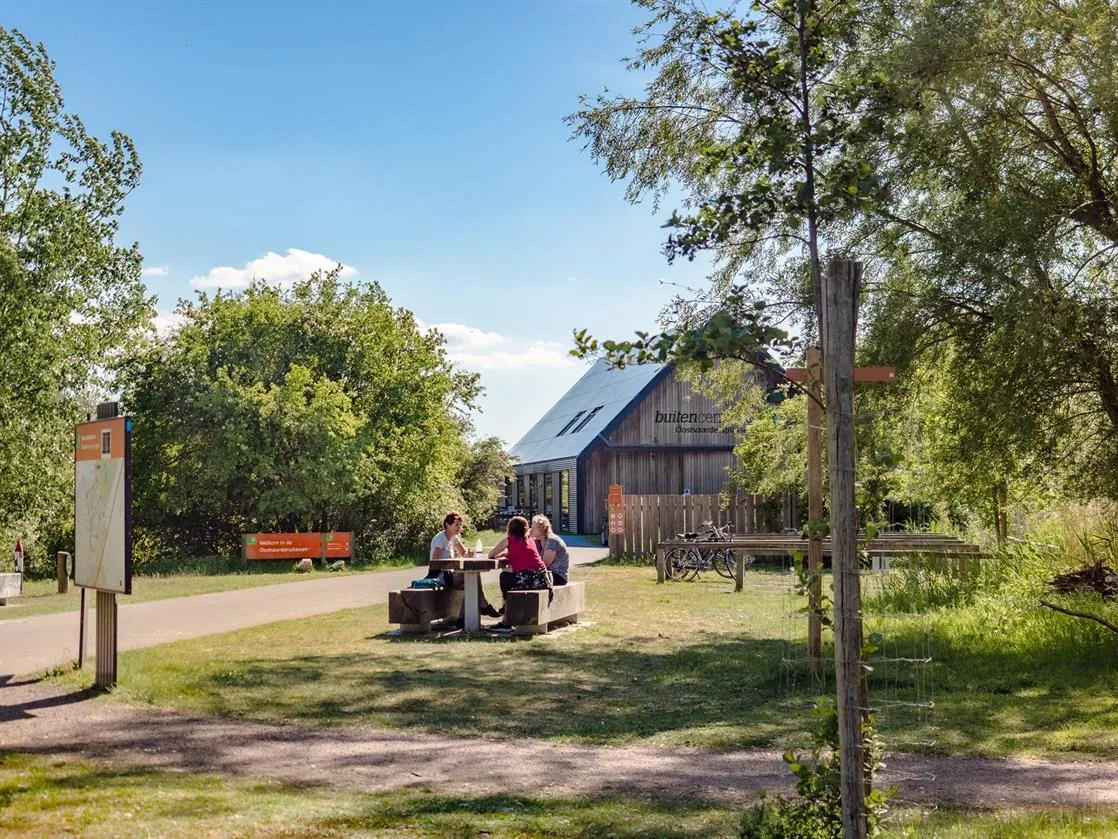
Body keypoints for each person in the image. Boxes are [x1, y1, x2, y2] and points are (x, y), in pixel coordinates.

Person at [429, 511, 500, 621]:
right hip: (440, 576)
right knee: (472, 578)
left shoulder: (454, 538)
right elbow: (434, 563)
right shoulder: (440, 539)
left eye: (460, 525)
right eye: (456, 524)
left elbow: (463, 554)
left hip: (450, 573)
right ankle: (483, 606)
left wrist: (469, 554)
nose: (459, 527)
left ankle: (463, 618)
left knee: (472, 578)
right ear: (447, 525)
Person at [488, 515, 551, 627]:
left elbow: (491, 554)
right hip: (543, 580)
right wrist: (507, 553)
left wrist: (503, 554)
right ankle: (505, 609)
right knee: (509, 576)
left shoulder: (509, 540)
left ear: (510, 528)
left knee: (505, 577)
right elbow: (524, 556)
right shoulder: (531, 541)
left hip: (529, 582)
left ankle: (506, 615)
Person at [530, 514, 570, 586]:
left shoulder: (552, 541)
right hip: (546, 573)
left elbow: (544, 564)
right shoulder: (537, 541)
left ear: (542, 529)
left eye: (533, 527)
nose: (530, 530)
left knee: (528, 581)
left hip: (557, 575)